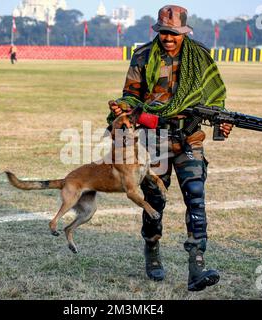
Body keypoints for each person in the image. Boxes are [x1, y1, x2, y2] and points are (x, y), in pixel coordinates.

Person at [107, 5, 233, 291]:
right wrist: (122, 106)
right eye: (163, 32)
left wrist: (222, 120)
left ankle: (196, 265)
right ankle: (151, 249)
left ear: (184, 32)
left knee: (196, 197)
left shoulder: (199, 56)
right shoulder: (143, 55)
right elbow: (132, 95)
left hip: (189, 139)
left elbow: (214, 96)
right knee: (155, 200)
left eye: (173, 33)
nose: (168, 38)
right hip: (154, 141)